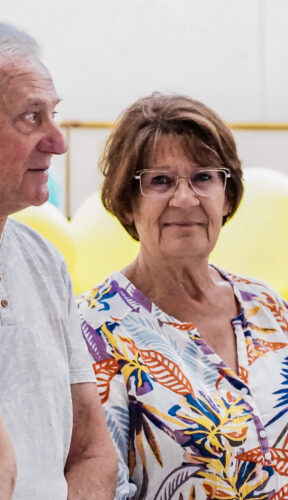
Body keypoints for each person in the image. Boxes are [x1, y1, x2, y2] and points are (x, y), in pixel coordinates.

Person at [77, 93, 288, 499]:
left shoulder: (269, 308)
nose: (185, 198)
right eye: (160, 181)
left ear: (227, 195)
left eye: (203, 177)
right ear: (128, 202)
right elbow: (102, 485)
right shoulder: (95, 328)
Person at [0, 23, 117, 498]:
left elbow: (92, 452)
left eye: (54, 114)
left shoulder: (44, 263)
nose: (58, 141)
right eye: (32, 117)